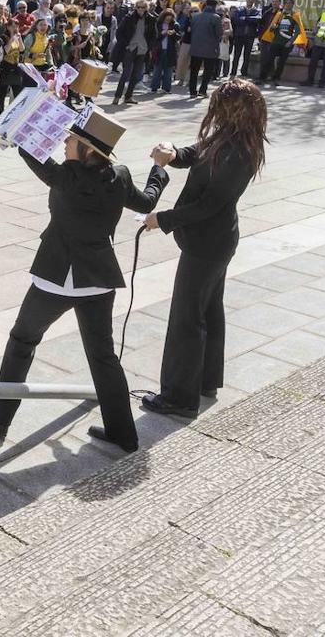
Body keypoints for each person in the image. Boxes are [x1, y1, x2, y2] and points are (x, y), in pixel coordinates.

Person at [0, 107, 170, 453]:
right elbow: (147, 201)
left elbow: (30, 148)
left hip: (54, 279)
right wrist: (159, 168)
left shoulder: (64, 176)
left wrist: (33, 112)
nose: (66, 141)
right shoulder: (119, 176)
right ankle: (124, 434)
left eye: (72, 138)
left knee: (22, 341)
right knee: (103, 356)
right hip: (97, 281)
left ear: (87, 149)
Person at [142, 79, 268, 418]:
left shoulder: (239, 150)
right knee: (208, 310)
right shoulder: (230, 137)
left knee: (186, 318)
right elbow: (198, 154)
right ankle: (205, 382)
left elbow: (209, 204)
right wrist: (173, 155)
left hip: (208, 243)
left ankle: (179, 398)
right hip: (213, 241)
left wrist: (163, 219)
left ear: (234, 111)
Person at [258, 0, 304, 87]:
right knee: (269, 60)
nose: (288, 5)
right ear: (284, 5)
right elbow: (272, 28)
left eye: (290, 4)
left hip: (286, 43)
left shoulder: (295, 15)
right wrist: (273, 28)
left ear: (292, 5)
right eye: (286, 3)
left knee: (281, 63)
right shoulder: (279, 14)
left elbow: (297, 31)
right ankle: (262, 78)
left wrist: (290, 42)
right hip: (275, 42)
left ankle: (276, 79)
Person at [187, 0, 223, 98]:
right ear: (215, 6)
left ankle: (192, 91)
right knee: (208, 71)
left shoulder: (196, 17)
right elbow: (219, 33)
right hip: (210, 48)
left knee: (194, 71)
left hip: (196, 47)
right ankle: (203, 90)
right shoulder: (216, 17)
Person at [228, 0, 261, 79]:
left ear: (254, 1)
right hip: (239, 35)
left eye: (252, 0)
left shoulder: (256, 10)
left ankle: (244, 73)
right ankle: (233, 73)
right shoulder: (240, 9)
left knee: (247, 56)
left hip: (250, 36)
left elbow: (257, 19)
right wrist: (249, 20)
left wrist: (245, 18)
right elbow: (236, 20)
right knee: (236, 55)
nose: (250, 1)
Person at [148, 8, 178, 94]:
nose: (168, 20)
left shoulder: (175, 25)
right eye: (166, 18)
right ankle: (154, 87)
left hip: (170, 50)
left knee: (168, 70)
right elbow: (154, 37)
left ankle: (166, 88)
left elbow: (179, 37)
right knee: (157, 70)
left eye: (170, 18)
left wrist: (174, 33)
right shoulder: (158, 24)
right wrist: (162, 33)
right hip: (159, 50)